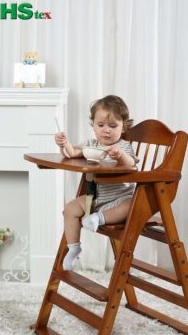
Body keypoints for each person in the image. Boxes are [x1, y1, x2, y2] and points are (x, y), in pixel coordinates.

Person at [55, 95, 139, 270]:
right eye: (101, 125)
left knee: (131, 204)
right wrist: (63, 144)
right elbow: (72, 153)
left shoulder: (122, 147)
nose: (106, 130)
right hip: (95, 198)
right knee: (70, 209)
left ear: (123, 127)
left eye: (113, 126)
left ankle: (99, 218)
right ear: (93, 125)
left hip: (119, 198)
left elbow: (131, 164)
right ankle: (74, 248)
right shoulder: (91, 144)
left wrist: (120, 156)